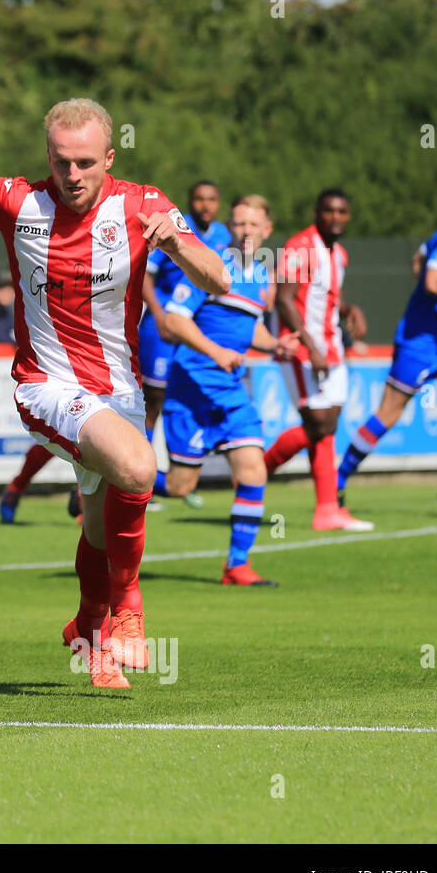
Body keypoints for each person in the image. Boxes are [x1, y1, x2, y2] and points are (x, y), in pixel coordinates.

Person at [0, 98, 230, 688]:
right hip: (47, 385)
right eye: (62, 161)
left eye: (86, 163)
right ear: (48, 156)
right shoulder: (20, 201)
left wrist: (177, 243)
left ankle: (88, 628)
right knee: (140, 468)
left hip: (120, 392)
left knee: (98, 528)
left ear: (109, 158)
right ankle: (130, 616)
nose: (73, 176)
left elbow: (217, 277)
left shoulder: (144, 205)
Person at [159, 195, 298, 585]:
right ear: (229, 226)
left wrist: (275, 345)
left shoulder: (261, 277)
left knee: (253, 468)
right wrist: (216, 351)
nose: (245, 231)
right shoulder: (211, 265)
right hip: (191, 387)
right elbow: (174, 320)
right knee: (179, 485)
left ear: (267, 230)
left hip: (230, 390)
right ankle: (114, 480)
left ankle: (236, 565)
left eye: (253, 225)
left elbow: (248, 327)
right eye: (238, 223)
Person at [339, 169, 437, 511]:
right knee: (388, 414)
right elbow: (433, 281)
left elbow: (419, 260)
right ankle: (337, 481)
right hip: (419, 342)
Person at [262, 188, 373, 530]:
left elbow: (324, 295)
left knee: (326, 427)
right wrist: (309, 345)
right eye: (329, 211)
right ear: (317, 212)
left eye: (342, 211)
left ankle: (326, 510)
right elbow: (283, 300)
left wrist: (348, 308)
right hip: (302, 348)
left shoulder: (338, 253)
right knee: (319, 423)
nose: (336, 217)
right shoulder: (300, 246)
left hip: (332, 348)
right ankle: (255, 471)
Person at [143, 181, 229, 510]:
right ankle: (146, 480)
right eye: (199, 199)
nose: (205, 205)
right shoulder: (173, 226)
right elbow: (146, 276)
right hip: (163, 325)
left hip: (196, 327)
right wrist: (158, 314)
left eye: (211, 199)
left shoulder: (222, 234)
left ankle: (182, 474)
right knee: (155, 401)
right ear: (190, 202)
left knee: (188, 396)